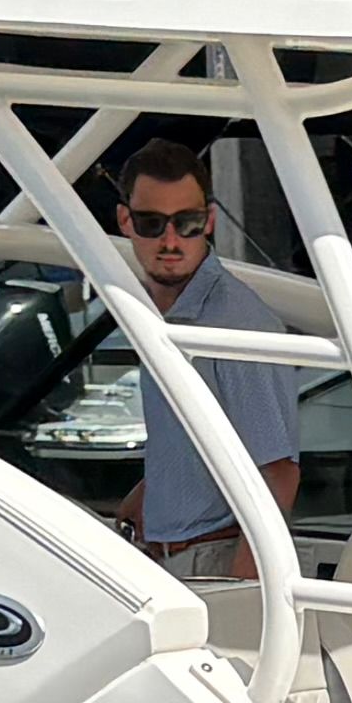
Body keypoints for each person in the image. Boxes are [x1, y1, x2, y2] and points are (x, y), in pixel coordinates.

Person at [108, 141, 303, 578]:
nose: (170, 240)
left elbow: (279, 472)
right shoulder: (162, 316)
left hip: (214, 559)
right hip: (169, 556)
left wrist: (245, 589)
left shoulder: (234, 323)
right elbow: (196, 444)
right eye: (151, 223)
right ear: (125, 221)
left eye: (188, 223)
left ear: (209, 220)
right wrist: (145, 501)